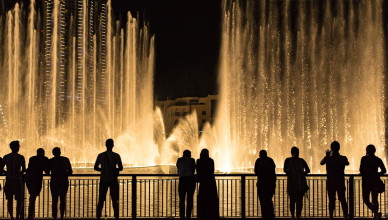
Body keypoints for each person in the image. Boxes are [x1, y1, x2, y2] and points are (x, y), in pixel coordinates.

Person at [94, 139, 123, 220]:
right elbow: (121, 168)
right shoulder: (116, 156)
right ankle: (116, 217)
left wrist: (103, 170)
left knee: (101, 199)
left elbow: (95, 167)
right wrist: (114, 170)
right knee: (115, 200)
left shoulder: (100, 155)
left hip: (103, 180)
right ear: (113, 145)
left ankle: (98, 217)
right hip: (113, 180)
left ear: (105, 145)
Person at [320, 141, 349, 219]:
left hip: (330, 182)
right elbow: (347, 163)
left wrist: (327, 156)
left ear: (331, 149)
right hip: (340, 181)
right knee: (342, 199)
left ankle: (331, 216)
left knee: (331, 200)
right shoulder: (343, 158)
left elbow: (321, 163)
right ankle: (345, 216)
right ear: (339, 148)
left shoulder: (328, 158)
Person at [0, 140, 26, 220]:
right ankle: (17, 216)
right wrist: (19, 173)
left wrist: (6, 172)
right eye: (18, 146)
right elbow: (24, 169)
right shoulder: (21, 157)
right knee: (19, 200)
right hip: (18, 180)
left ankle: (11, 217)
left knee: (9, 200)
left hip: (9, 180)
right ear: (16, 147)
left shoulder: (6, 157)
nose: (18, 148)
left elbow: (0, 168)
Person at [360, 145, 386, 220]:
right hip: (375, 181)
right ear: (374, 151)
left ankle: (376, 214)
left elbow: (361, 170)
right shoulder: (377, 159)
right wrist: (376, 174)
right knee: (375, 199)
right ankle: (376, 214)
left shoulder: (364, 159)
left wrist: (366, 173)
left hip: (366, 182)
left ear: (367, 150)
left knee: (366, 199)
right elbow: (384, 170)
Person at [283, 146, 310, 220]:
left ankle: (293, 216)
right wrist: (302, 174)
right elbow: (308, 170)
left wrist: (290, 173)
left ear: (291, 153)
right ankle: (298, 216)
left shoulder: (288, 160)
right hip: (300, 184)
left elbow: (285, 169)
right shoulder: (301, 160)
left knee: (292, 201)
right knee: (299, 201)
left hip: (292, 183)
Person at [49, 147, 72, 220]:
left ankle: (54, 216)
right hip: (64, 181)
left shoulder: (51, 161)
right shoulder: (65, 159)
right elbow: (70, 171)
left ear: (53, 153)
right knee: (62, 199)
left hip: (54, 182)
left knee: (54, 200)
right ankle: (62, 216)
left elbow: (47, 171)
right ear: (60, 152)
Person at [25, 148, 49, 219]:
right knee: (33, 197)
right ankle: (30, 215)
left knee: (32, 196)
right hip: (37, 179)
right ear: (43, 153)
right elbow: (47, 171)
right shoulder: (44, 159)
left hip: (28, 178)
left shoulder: (32, 158)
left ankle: (30, 214)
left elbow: (29, 168)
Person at [196, 149, 219, 219]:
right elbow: (212, 171)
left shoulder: (199, 161)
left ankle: (203, 215)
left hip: (203, 182)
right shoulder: (211, 161)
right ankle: (212, 215)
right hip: (211, 182)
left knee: (203, 198)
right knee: (211, 199)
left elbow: (197, 171)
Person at [254, 150, 276, 220]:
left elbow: (256, 171)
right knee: (269, 200)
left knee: (262, 201)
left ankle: (264, 216)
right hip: (270, 184)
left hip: (261, 184)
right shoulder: (270, 160)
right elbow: (273, 171)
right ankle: (271, 215)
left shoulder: (258, 161)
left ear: (260, 155)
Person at [176, 150, 196, 219]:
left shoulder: (179, 160)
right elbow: (193, 170)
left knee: (182, 199)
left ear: (183, 154)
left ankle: (182, 216)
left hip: (182, 180)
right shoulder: (192, 160)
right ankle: (188, 216)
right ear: (190, 154)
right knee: (189, 199)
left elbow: (178, 170)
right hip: (191, 180)